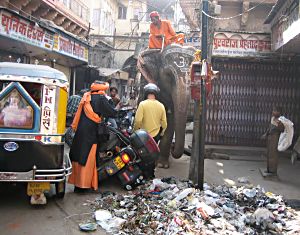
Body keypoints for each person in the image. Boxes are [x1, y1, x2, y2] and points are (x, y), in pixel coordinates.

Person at [68, 81, 118, 192]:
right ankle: (84, 186)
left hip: (81, 131)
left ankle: (77, 185)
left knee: (79, 155)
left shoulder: (87, 97)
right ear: (102, 90)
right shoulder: (101, 98)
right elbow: (112, 112)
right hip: (91, 132)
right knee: (88, 158)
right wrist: (110, 102)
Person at [133, 83, 167, 178]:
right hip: (155, 136)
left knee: (141, 155)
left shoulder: (142, 104)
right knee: (152, 156)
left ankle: (142, 174)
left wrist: (136, 131)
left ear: (146, 93)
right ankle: (151, 175)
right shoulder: (161, 106)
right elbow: (164, 123)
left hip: (142, 136)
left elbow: (138, 121)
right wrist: (162, 133)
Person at [262, 106, 284, 176]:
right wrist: (266, 134)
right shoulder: (273, 119)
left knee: (273, 154)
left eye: (275, 111)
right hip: (270, 137)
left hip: (275, 138)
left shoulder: (281, 120)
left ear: (279, 112)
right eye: (273, 110)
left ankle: (273, 171)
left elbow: (282, 130)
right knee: (269, 153)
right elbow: (269, 127)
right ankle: (269, 169)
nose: (273, 112)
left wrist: (279, 124)